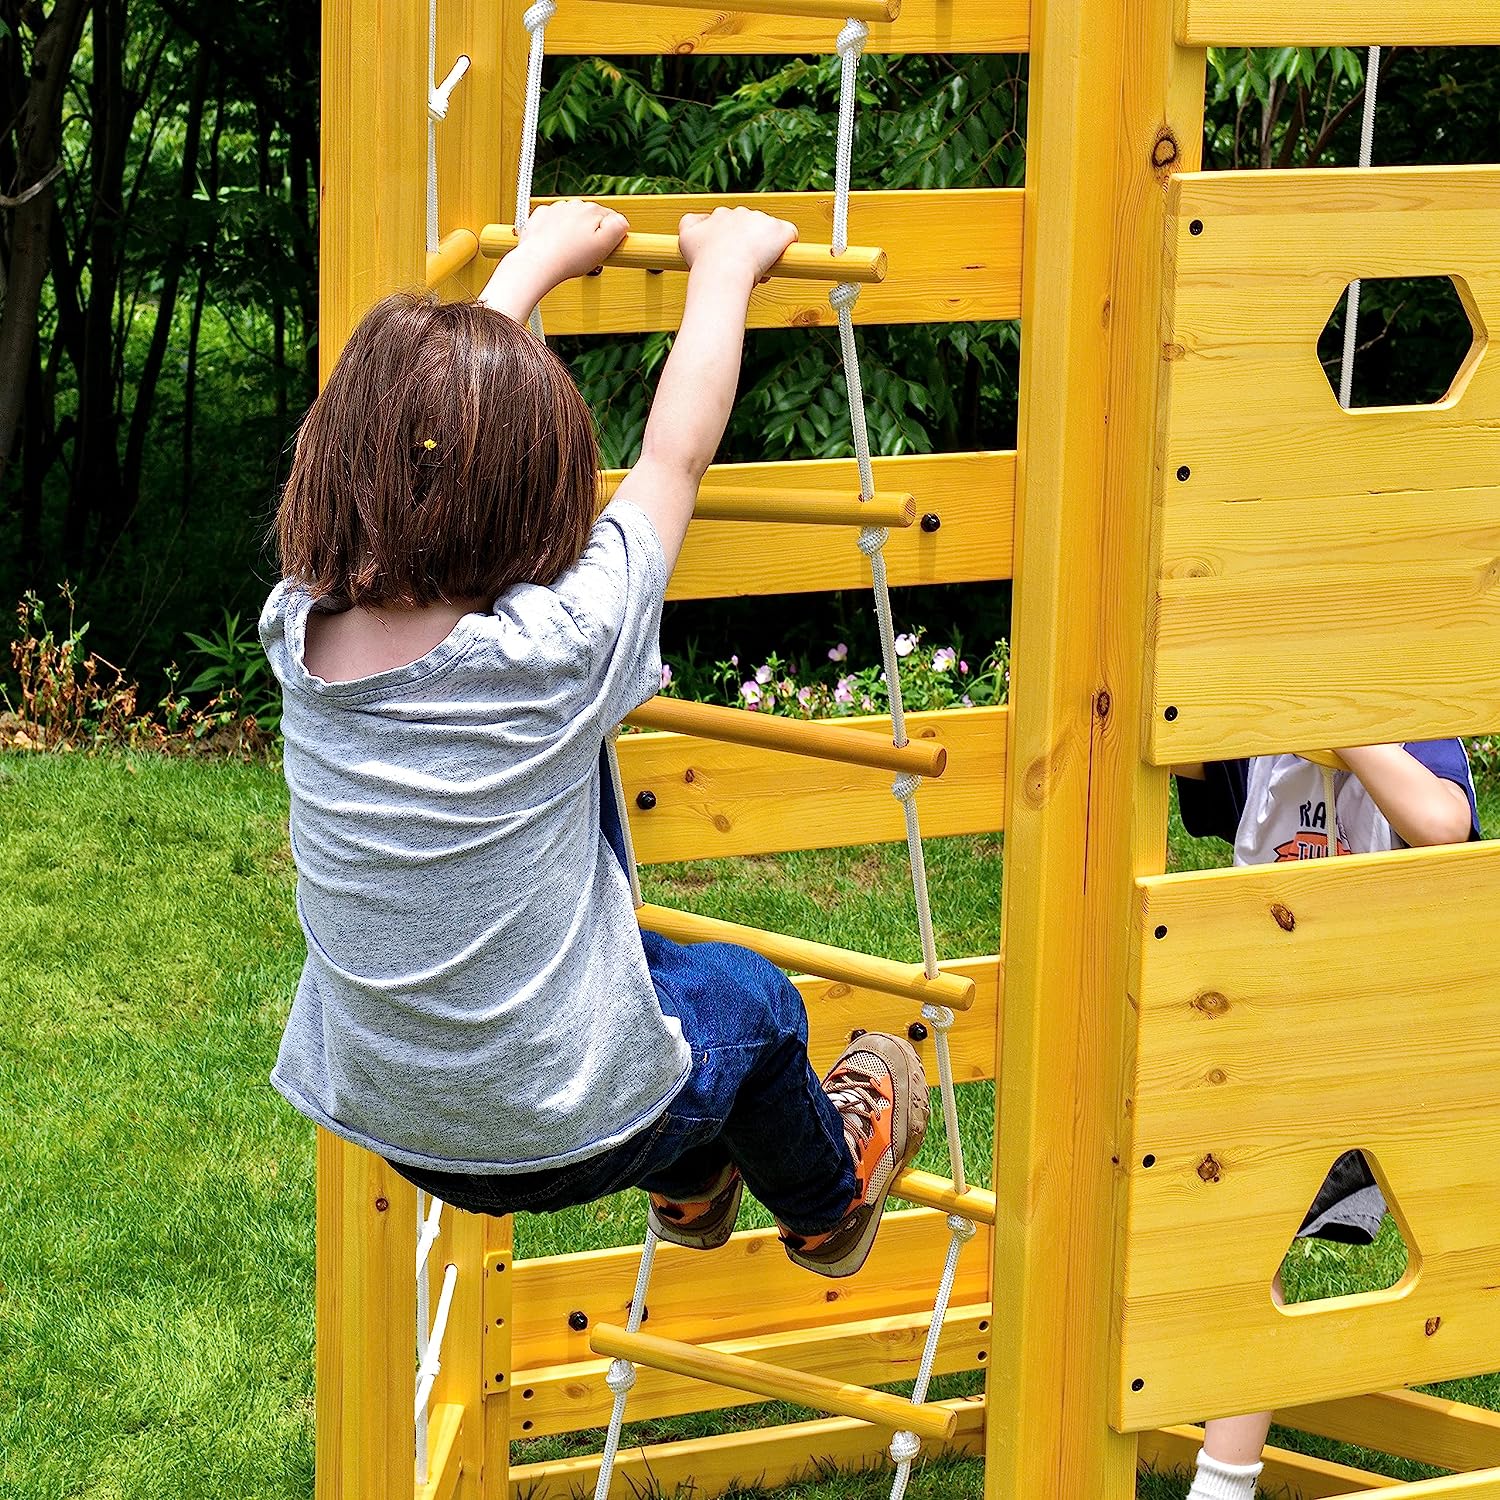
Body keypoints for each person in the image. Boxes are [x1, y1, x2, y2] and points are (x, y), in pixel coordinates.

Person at [258, 199, 929, 1279]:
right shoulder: (555, 649)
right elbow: (675, 457)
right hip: (563, 1128)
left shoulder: (302, 632)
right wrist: (726, 266)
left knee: (620, 957)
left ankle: (696, 1178)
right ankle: (828, 1196)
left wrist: (531, 267)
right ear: (535, 496)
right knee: (753, 1005)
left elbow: (421, 429)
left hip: (400, 1124)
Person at [1175, 741, 1480, 1499]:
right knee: (1206, 1232)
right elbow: (1147, 736)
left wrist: (1347, 730)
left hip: (1386, 1058)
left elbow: (1445, 824)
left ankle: (1223, 1483)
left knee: (1242, 1238)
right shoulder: (1260, 752)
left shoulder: (1415, 736)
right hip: (1263, 1048)